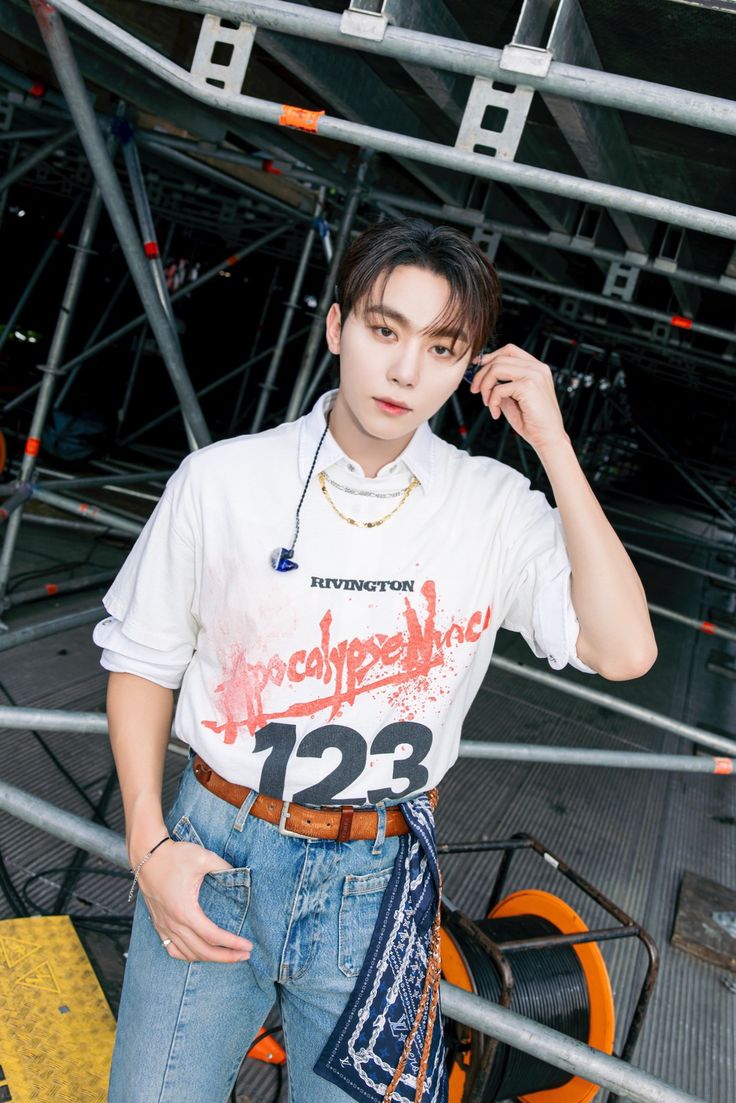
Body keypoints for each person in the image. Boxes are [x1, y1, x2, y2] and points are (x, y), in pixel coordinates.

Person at [94, 218, 657, 1103]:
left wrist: (555, 447)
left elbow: (623, 649)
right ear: (336, 327)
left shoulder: (493, 507)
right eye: (384, 329)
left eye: (442, 346)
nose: (404, 371)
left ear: (469, 363)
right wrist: (147, 843)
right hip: (217, 852)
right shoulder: (223, 481)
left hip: (378, 881)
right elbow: (143, 657)